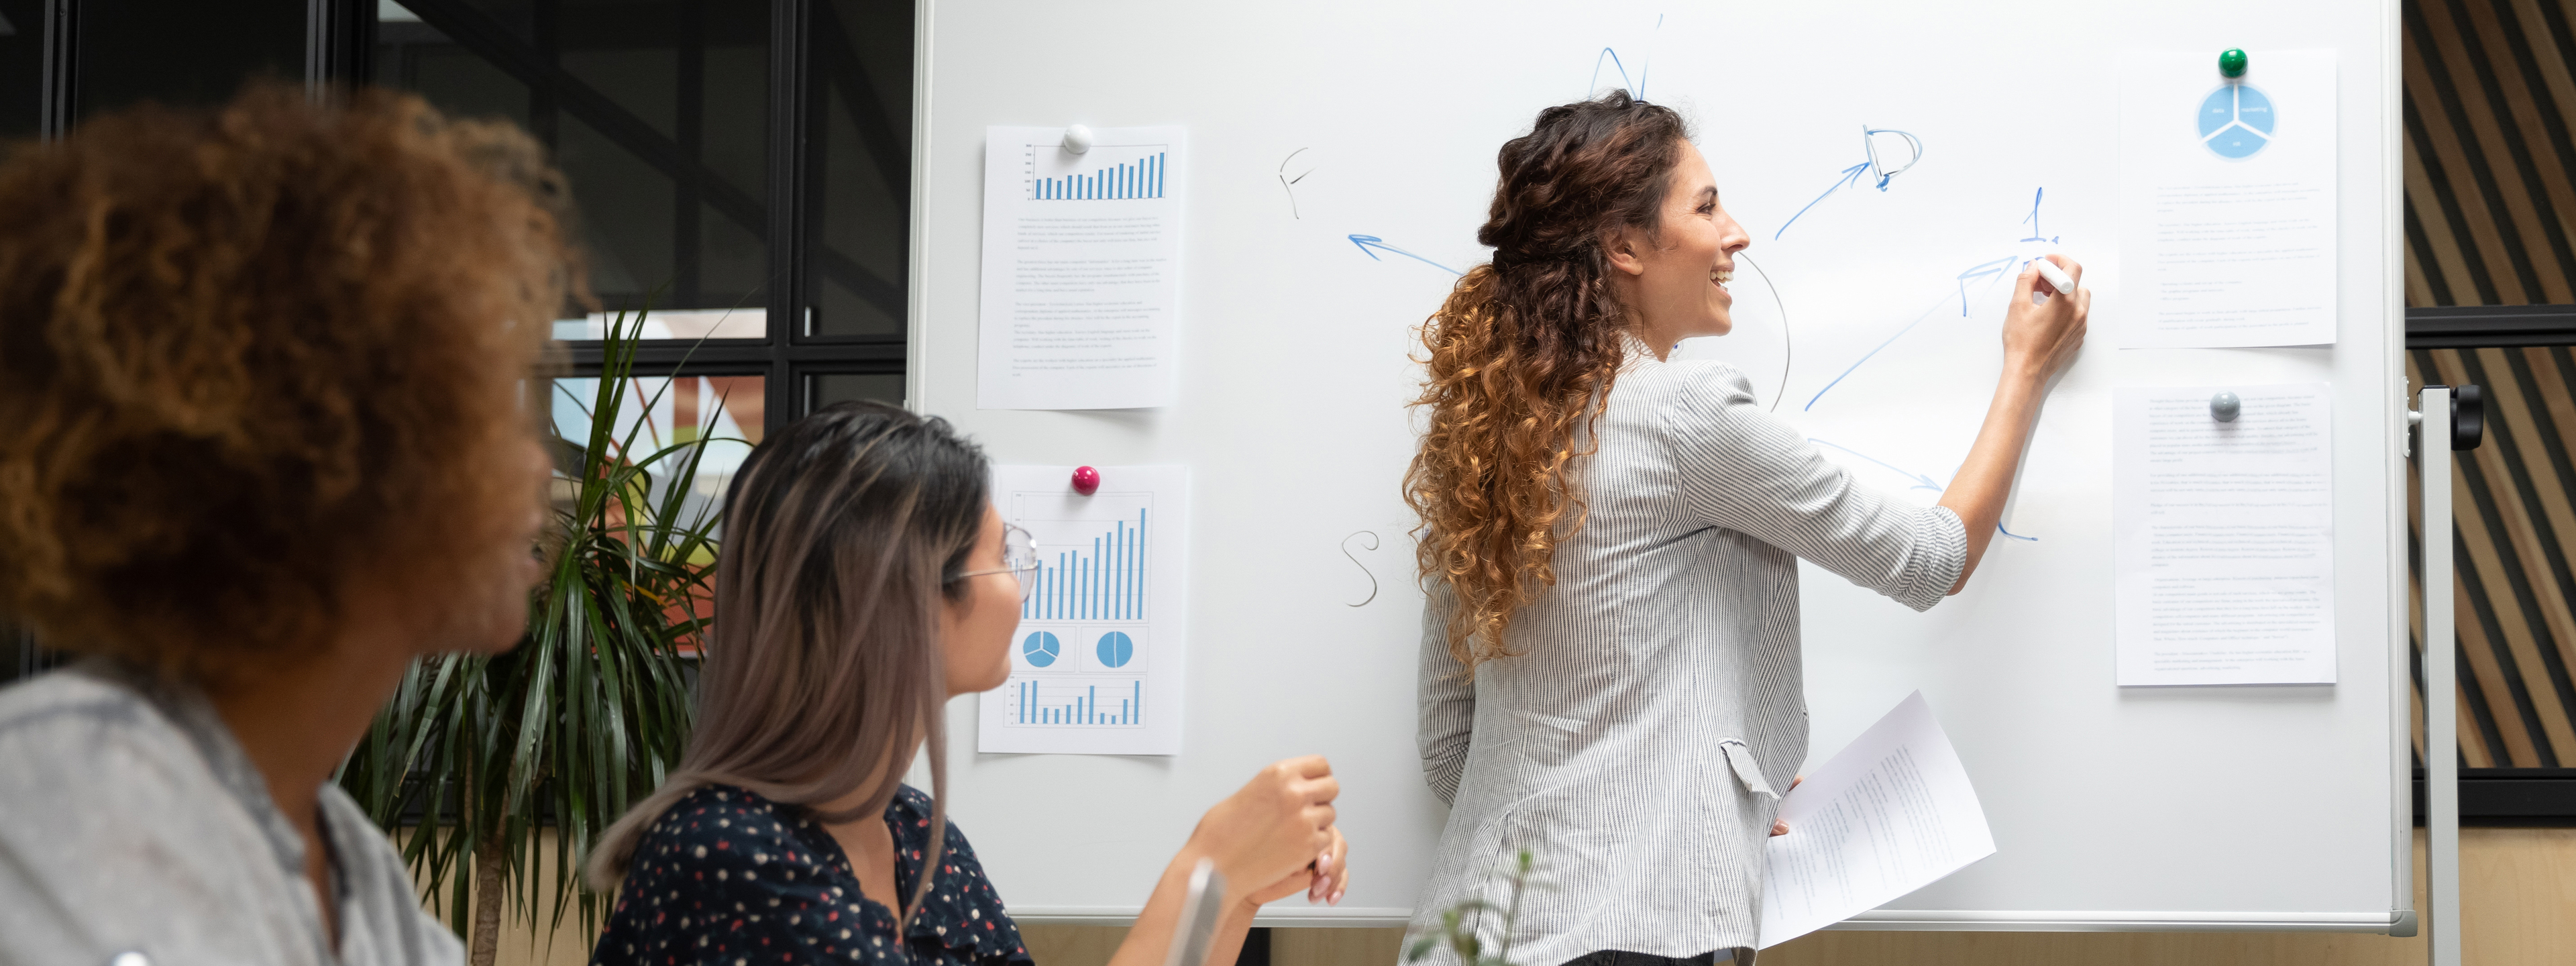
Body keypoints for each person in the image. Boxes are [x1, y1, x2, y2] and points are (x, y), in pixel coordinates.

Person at [1406, 91, 2087, 965]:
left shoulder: (1481, 436)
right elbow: (1930, 558)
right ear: (1622, 247)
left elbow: (1447, 748)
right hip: (1627, 941)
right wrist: (2026, 368)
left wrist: (1701, 792)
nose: (1738, 233)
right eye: (1705, 206)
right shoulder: (1688, 414)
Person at [0, 85, 576, 965]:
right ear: (327, 461)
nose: (538, 466)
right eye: (488, 420)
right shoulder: (51, 812)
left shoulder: (358, 879)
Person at [583, 401, 1351, 966]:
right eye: (1004, 553)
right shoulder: (728, 856)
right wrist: (1204, 870)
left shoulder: (917, 834)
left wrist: (1235, 895)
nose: (1023, 583)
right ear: (909, 598)